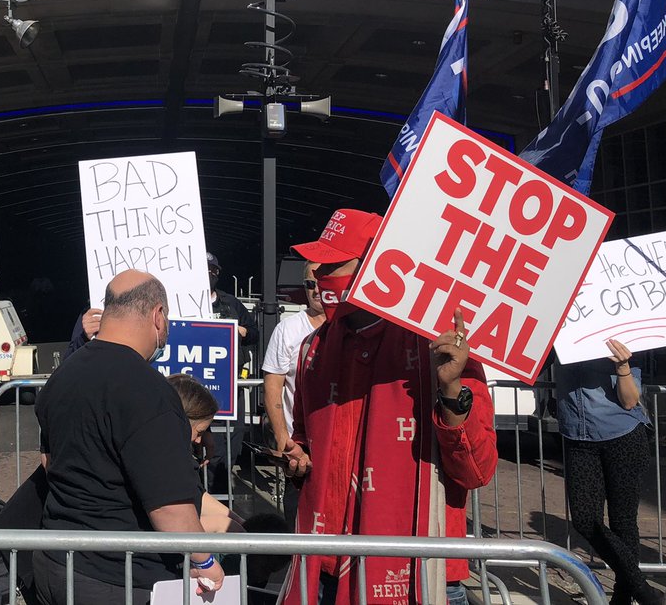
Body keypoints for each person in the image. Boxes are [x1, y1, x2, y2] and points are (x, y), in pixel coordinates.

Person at [280, 209, 497, 605]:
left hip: (420, 576)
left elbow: (477, 470)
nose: (318, 275)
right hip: (327, 572)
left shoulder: (440, 347)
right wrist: (299, 460)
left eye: (332, 264)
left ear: (377, 266)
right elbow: (305, 443)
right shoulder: (313, 349)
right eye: (318, 263)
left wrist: (451, 391)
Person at [34, 269, 225, 605]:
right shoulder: (148, 390)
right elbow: (169, 506)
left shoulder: (63, 374)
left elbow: (48, 462)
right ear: (158, 315)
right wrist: (205, 561)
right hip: (118, 577)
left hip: (55, 564)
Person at [555, 341, 661, 605]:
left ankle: (624, 596)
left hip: (622, 435)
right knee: (585, 519)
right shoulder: (561, 335)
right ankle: (644, 592)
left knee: (623, 522)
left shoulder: (620, 337)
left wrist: (622, 366)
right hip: (578, 438)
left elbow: (629, 401)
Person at [261, 261, 325, 521]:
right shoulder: (288, 329)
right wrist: (281, 437)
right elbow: (273, 386)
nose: (317, 289)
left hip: (335, 443)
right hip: (299, 450)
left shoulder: (349, 328)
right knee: (297, 522)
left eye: (322, 282)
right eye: (310, 284)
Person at [204, 252, 258, 492]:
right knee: (207, 443)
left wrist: (241, 332)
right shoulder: (182, 301)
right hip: (198, 387)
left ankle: (224, 494)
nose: (209, 275)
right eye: (204, 270)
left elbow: (255, 333)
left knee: (232, 443)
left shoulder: (231, 303)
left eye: (213, 271)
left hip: (230, 386)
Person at [166, 372, 243, 534]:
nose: (199, 441)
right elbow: (171, 518)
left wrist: (241, 522)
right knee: (227, 528)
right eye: (199, 432)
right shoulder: (162, 459)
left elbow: (196, 494)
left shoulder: (177, 453)